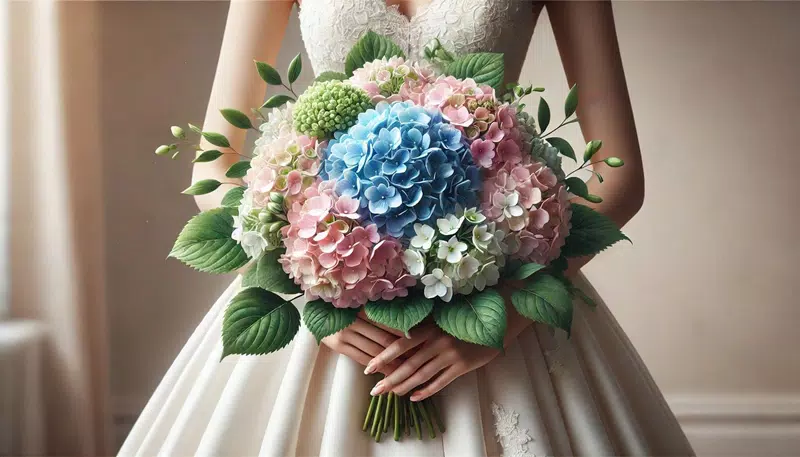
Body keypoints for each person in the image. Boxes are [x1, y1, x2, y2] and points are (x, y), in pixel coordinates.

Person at [119, 1, 694, 456]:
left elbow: (619, 176)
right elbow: (214, 168)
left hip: (490, 282)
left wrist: (509, 316)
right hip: (332, 295)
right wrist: (307, 295)